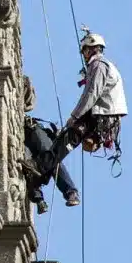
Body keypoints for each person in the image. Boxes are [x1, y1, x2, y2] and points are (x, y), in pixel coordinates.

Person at [40, 28, 127, 179]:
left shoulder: (99, 65)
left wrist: (74, 116)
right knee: (69, 137)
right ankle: (44, 170)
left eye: (85, 50)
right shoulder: (104, 65)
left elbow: (91, 94)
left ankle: (42, 167)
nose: (84, 55)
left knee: (69, 136)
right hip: (105, 116)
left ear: (91, 49)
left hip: (102, 115)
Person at [19, 78, 79, 211]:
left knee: (50, 157)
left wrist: (24, 84)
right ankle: (39, 199)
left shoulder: (24, 84)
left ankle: (71, 192)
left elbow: (29, 102)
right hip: (22, 136)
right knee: (26, 164)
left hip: (32, 129)